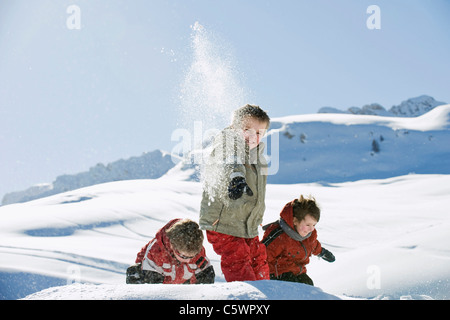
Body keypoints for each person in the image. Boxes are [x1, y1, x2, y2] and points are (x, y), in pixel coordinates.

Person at [199, 104, 271, 282]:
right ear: (234, 127)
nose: (251, 136)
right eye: (246, 129)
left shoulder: (259, 160)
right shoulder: (227, 144)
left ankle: (266, 292)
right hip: (224, 223)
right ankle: (246, 296)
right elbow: (231, 162)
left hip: (247, 226)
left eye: (258, 133)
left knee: (258, 260)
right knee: (238, 259)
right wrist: (236, 178)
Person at [262, 195, 335, 286]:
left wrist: (322, 252)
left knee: (308, 285)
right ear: (295, 221)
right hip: (278, 275)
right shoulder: (279, 237)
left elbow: (313, 245)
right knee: (294, 289)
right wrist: (264, 277)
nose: (311, 229)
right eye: (308, 225)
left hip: (298, 272)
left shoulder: (309, 235)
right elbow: (262, 255)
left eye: (314, 225)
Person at [126, 218, 215, 284]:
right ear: (172, 246)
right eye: (183, 256)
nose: (188, 260)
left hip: (184, 283)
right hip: (157, 278)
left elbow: (206, 278)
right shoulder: (156, 252)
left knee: (207, 274)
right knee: (135, 274)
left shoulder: (196, 250)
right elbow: (151, 286)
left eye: (191, 256)